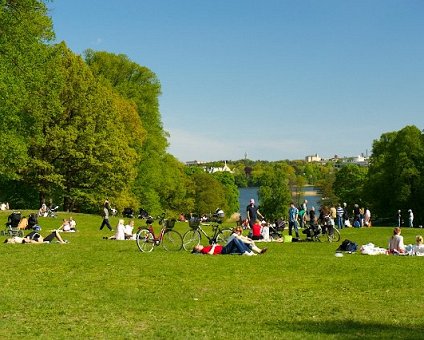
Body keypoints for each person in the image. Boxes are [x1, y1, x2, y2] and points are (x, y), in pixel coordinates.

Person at [191, 237, 256, 255]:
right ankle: (244, 252)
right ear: (198, 250)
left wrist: (216, 245)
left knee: (240, 241)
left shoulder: (205, 248)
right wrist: (214, 246)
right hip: (223, 250)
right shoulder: (203, 250)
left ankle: (250, 252)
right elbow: (210, 253)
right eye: (198, 246)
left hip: (223, 248)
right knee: (235, 240)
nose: (199, 245)